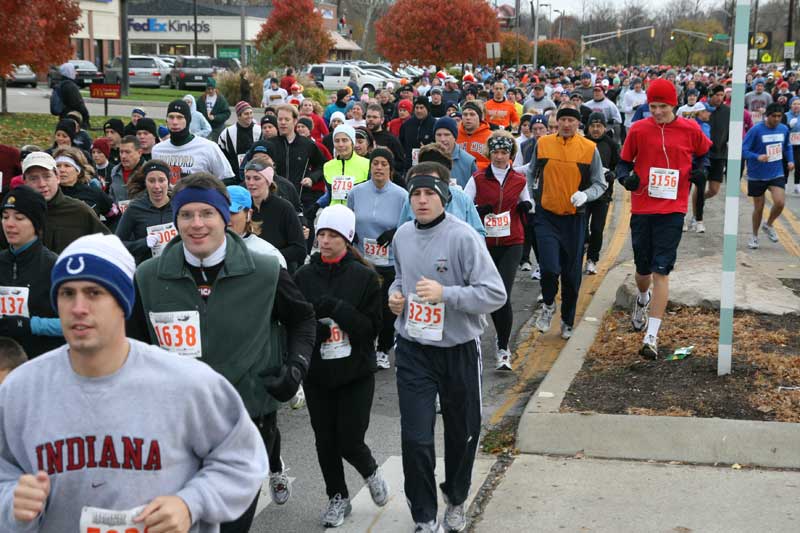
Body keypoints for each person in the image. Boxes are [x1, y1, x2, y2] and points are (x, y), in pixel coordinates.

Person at [0, 233, 269, 533]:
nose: (78, 307)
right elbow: (4, 474)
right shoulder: (20, 389)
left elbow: (243, 460)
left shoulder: (187, 383)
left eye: (93, 293)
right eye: (66, 293)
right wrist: (12, 502)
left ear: (122, 302)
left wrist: (190, 504)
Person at [128, 175, 315, 529]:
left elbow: (304, 319)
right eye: (186, 215)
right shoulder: (148, 278)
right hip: (173, 433)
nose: (196, 224)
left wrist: (295, 369)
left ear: (224, 216)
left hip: (245, 424)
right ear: (175, 220)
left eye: (207, 213)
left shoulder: (264, 271)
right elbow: (131, 348)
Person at [388, 173, 506, 533]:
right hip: (413, 349)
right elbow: (399, 277)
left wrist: (448, 294)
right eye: (416, 194)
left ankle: (455, 500)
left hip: (458, 350)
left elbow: (494, 294)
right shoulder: (402, 235)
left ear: (443, 198)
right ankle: (424, 517)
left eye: (429, 194)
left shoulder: (463, 237)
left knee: (463, 433)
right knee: (416, 438)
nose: (422, 200)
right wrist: (394, 297)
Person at [293, 205, 389, 527]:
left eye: (333, 235)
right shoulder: (304, 276)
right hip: (318, 374)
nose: (325, 240)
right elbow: (293, 320)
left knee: (349, 439)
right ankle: (338, 497)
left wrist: (337, 309)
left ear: (347, 239)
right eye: (321, 233)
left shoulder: (365, 277)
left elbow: (371, 329)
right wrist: (313, 331)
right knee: (325, 440)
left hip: (355, 373)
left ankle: (370, 471)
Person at [615, 78, 712, 359]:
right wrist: (626, 179)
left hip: (673, 208)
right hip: (643, 207)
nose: (657, 111)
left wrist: (701, 172)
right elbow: (623, 163)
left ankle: (652, 336)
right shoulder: (639, 129)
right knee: (643, 271)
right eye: (653, 106)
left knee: (662, 271)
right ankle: (642, 299)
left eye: (663, 106)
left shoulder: (690, 129)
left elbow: (705, 156)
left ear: (674, 104)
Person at [529, 107, 608, 340]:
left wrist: (586, 195)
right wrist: (531, 198)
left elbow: (600, 184)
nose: (566, 124)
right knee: (549, 268)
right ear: (557, 121)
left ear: (578, 124)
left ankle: (567, 319)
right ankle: (548, 304)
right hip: (546, 216)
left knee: (572, 276)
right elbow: (531, 172)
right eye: (562, 120)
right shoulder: (543, 143)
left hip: (574, 219)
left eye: (571, 120)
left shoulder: (589, 148)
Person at [464, 131, 532, 371]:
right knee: (482, 292)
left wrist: (526, 206)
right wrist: (480, 209)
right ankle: (474, 337)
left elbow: (528, 202)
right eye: (496, 152)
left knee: (502, 294)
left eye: (504, 152)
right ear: (489, 153)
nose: (500, 157)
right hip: (485, 243)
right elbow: (464, 206)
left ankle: (503, 348)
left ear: (511, 154)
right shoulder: (478, 178)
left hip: (512, 241)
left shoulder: (519, 179)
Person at [346, 148, 407, 369]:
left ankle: (383, 349)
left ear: (390, 168)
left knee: (386, 308)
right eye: (375, 163)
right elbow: (349, 222)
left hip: (390, 261)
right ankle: (365, 347)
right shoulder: (356, 192)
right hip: (363, 260)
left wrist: (394, 233)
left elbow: (409, 224)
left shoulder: (402, 195)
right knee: (364, 306)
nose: (379, 168)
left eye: (383, 164)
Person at [0, 186, 63, 358]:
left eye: (19, 218)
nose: (9, 224)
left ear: (36, 224)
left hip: (42, 363)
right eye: (5, 217)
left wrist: (30, 325)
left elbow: (74, 323)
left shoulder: (55, 266)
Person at [742, 102, 794, 250]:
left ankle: (769, 224)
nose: (777, 119)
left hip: (776, 172)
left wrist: (790, 160)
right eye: (774, 116)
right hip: (756, 174)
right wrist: (757, 157)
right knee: (759, 208)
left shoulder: (784, 129)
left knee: (780, 202)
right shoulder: (756, 130)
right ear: (767, 116)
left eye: (779, 116)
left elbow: (787, 146)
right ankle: (754, 236)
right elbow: (744, 150)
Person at [245, 161, 307, 272]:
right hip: (251, 273)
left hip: (279, 272)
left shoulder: (284, 207)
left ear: (268, 181)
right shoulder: (243, 208)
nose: (251, 182)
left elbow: (300, 249)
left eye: (256, 178)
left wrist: (268, 257)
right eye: (248, 178)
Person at [152, 99, 235, 181]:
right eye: (171, 117)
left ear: (188, 120)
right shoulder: (158, 150)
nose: (175, 122)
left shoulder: (209, 148)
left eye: (180, 117)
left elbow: (227, 178)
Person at [114, 160, 176, 265]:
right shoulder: (135, 208)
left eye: (161, 180)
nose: (157, 186)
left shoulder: (179, 206)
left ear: (168, 182)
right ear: (145, 182)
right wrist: (143, 243)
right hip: (147, 270)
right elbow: (117, 244)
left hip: (176, 267)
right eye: (151, 181)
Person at [583, 113, 620, 275]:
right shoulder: (581, 142)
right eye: (593, 126)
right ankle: (583, 247)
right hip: (582, 193)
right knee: (582, 228)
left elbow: (618, 165)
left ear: (605, 128)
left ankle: (592, 259)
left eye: (599, 126)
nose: (596, 129)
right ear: (588, 127)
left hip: (602, 195)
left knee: (597, 229)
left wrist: (613, 174)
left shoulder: (611, 144)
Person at [267, 104, 327, 195]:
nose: (283, 122)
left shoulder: (307, 144)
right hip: (274, 198)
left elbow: (323, 165)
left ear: (295, 121)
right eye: (280, 119)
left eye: (287, 119)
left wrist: (312, 178)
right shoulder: (269, 144)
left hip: (300, 198)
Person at [226, 185, 286, 268]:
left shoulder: (268, 254)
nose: (226, 218)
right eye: (221, 212)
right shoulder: (206, 249)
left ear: (248, 215)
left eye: (232, 213)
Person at [53, 147, 116, 225]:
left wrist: (102, 232)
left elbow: (115, 216)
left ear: (78, 170)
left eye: (67, 166)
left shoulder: (93, 193)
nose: (61, 170)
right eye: (58, 166)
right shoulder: (49, 194)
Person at [322, 124, 370, 207]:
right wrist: (316, 206)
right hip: (335, 213)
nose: (340, 144)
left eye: (344, 140)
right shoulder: (327, 166)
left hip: (358, 215)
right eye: (337, 141)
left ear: (352, 142)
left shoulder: (367, 164)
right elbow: (329, 195)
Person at [219, 101, 261, 177]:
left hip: (256, 173)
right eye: (246, 114)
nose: (249, 116)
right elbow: (221, 156)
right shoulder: (227, 133)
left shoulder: (259, 131)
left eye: (251, 113)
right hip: (234, 174)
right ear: (239, 116)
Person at [704, 85, 732, 201]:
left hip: (719, 154)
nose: (720, 98)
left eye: (722, 95)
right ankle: (697, 215)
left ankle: (701, 199)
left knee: (713, 190)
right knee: (700, 186)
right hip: (704, 154)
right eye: (717, 95)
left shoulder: (728, 111)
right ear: (711, 95)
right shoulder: (702, 109)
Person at [434, 116, 477, 188]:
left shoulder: (468, 161)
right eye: (439, 135)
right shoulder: (427, 157)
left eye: (447, 135)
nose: (442, 139)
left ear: (454, 136)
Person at [398, 97, 437, 174]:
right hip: (409, 167)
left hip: (429, 166)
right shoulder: (407, 125)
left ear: (427, 108)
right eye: (417, 108)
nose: (419, 110)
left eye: (422, 108)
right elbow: (401, 143)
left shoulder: (434, 124)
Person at [457, 102, 492, 171]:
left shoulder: (491, 137)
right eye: (465, 114)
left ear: (479, 117)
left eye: (472, 114)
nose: (468, 118)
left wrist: (474, 166)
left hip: (483, 176)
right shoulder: (454, 135)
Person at [108, 135, 144, 204]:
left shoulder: (148, 171)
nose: (123, 156)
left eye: (127, 152)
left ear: (139, 153)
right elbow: (112, 197)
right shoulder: (114, 171)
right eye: (121, 152)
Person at [55, 62, 90, 128]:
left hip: (64, 116)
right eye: (74, 71)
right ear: (69, 72)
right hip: (73, 118)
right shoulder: (70, 86)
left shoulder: (62, 84)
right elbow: (78, 104)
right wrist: (86, 116)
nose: (76, 73)